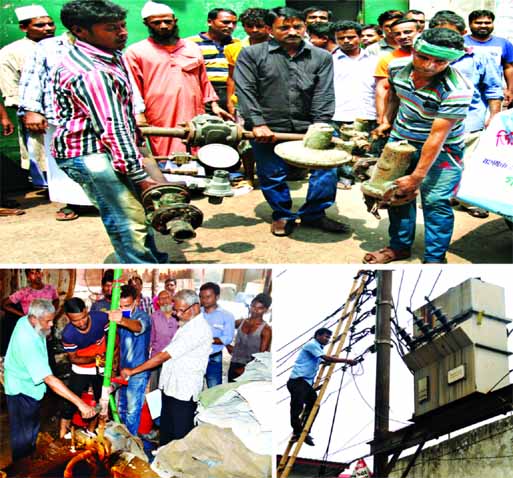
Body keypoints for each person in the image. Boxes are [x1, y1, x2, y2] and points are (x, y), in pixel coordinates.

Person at [52, 0, 168, 264]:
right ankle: (140, 266)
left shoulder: (105, 53)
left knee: (137, 210)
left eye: (123, 25)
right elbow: (113, 128)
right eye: (111, 28)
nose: (122, 32)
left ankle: (154, 260)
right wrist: (140, 176)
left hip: (104, 147)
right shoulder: (93, 72)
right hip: (89, 152)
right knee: (127, 218)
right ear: (80, 31)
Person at [234, 7, 349, 237]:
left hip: (309, 123)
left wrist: (321, 124)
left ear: (304, 27)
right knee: (272, 172)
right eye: (284, 27)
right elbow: (245, 89)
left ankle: (315, 214)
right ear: (269, 30)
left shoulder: (321, 56)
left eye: (297, 26)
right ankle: (282, 214)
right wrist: (256, 123)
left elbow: (324, 92)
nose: (292, 31)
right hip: (268, 124)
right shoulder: (252, 54)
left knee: (326, 171)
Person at [365, 28, 473, 264]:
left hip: (443, 149)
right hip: (400, 141)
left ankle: (435, 258)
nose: (430, 66)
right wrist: (387, 121)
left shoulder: (457, 89)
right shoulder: (396, 68)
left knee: (436, 201)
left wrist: (416, 177)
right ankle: (399, 247)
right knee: (397, 195)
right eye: (424, 57)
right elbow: (394, 95)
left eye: (440, 61)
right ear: (414, 49)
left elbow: (436, 137)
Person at [125, 1, 225, 157]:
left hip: (193, 109)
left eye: (167, 21)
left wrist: (214, 105)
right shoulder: (136, 51)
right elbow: (132, 87)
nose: (163, 26)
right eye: (156, 23)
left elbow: (203, 80)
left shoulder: (192, 48)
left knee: (197, 144)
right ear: (147, 24)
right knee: (167, 148)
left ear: (175, 21)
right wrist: (139, 113)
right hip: (159, 112)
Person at [429, 12, 503, 219]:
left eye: (452, 34)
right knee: (437, 163)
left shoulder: (479, 57)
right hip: (433, 122)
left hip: (469, 122)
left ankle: (470, 201)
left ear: (463, 33)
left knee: (468, 165)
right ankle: (445, 196)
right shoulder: (427, 57)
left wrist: (494, 116)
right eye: (440, 33)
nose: (446, 39)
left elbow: (493, 89)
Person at [4, 299, 97, 461]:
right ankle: (21, 469)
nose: (52, 324)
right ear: (34, 318)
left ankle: (28, 459)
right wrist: (80, 403)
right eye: (48, 321)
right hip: (21, 390)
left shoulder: (24, 320)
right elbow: (50, 379)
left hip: (28, 385)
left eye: (52, 319)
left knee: (30, 431)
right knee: (23, 438)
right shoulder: (27, 341)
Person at [120, 289, 212, 446]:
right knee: (167, 428)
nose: (176, 314)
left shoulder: (198, 330)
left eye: (180, 310)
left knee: (180, 434)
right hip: (172, 386)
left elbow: (164, 355)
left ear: (195, 307)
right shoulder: (187, 324)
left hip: (183, 390)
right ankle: (163, 457)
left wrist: (133, 371)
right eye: (175, 309)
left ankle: (176, 466)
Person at [0, 5, 56, 189]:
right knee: (42, 156)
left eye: (50, 24)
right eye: (40, 25)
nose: (48, 29)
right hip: (37, 116)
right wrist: (29, 114)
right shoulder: (10, 53)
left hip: (66, 114)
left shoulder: (62, 46)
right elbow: (11, 89)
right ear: (24, 28)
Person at [287, 327, 357, 446]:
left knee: (314, 405)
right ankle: (298, 432)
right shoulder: (312, 345)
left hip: (305, 384)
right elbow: (326, 358)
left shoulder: (318, 349)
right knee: (297, 408)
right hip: (298, 381)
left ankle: (303, 431)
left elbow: (322, 360)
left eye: (329, 337)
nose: (327, 339)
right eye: (326, 336)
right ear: (318, 336)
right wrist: (346, 360)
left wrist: (329, 361)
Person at [59, 297, 109, 438]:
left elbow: (113, 336)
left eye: (83, 318)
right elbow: (74, 358)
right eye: (75, 320)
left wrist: (113, 356)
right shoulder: (68, 334)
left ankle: (91, 432)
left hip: (101, 367)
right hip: (81, 368)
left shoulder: (101, 318)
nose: (80, 323)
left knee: (101, 400)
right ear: (68, 318)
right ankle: (63, 435)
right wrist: (96, 358)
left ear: (86, 311)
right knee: (71, 401)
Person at [108, 284, 151, 435]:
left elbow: (138, 327)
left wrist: (121, 320)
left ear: (136, 301)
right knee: (121, 409)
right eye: (120, 306)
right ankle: (121, 437)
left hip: (138, 372)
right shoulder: (117, 315)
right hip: (123, 370)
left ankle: (131, 441)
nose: (123, 309)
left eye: (127, 305)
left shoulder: (142, 316)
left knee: (133, 412)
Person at [187, 8, 239, 111]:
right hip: (203, 92)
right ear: (210, 22)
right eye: (226, 22)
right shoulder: (190, 43)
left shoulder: (237, 44)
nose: (230, 26)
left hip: (230, 93)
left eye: (234, 23)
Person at [332, 21, 378, 127]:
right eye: (341, 38)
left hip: (369, 116)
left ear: (360, 37)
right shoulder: (329, 61)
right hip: (338, 117)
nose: (346, 41)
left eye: (351, 37)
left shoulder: (375, 61)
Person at [374, 18, 421, 124]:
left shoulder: (434, 58)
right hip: (398, 117)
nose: (403, 36)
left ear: (419, 31)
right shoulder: (388, 59)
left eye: (408, 32)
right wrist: (382, 120)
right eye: (397, 34)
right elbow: (383, 90)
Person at [464, 9, 513, 106]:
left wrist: (510, 90)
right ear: (470, 24)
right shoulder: (461, 42)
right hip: (465, 92)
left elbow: (509, 68)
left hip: (494, 93)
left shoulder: (503, 43)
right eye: (478, 23)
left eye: (487, 23)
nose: (483, 25)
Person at [227, 293, 272, 382]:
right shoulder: (241, 322)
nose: (255, 310)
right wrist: (227, 345)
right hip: (234, 363)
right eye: (253, 306)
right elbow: (224, 330)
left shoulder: (266, 330)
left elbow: (262, 356)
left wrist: (246, 370)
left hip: (251, 369)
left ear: (266, 310)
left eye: (260, 308)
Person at [199, 282, 235, 387]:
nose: (204, 300)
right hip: (196, 356)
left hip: (214, 357)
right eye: (202, 297)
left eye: (208, 297)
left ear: (217, 297)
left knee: (214, 390)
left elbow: (227, 338)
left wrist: (209, 339)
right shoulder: (196, 314)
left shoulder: (227, 316)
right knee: (193, 389)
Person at [148, 290, 178, 390]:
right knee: (155, 390)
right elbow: (150, 339)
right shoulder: (154, 317)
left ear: (172, 299)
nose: (165, 301)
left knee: (172, 388)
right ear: (158, 302)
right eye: (161, 299)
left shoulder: (179, 316)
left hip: (175, 359)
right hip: (157, 358)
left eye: (167, 297)